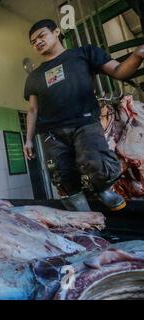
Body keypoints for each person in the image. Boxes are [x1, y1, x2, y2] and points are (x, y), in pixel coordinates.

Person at [23, 19, 144, 211]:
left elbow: (119, 71)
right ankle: (83, 218)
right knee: (61, 176)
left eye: (41, 36)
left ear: (56, 32)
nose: (37, 42)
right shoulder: (34, 76)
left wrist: (138, 55)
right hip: (51, 132)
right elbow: (32, 110)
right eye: (33, 41)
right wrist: (28, 139)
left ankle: (103, 190)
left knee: (96, 163)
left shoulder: (84, 53)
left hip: (84, 122)